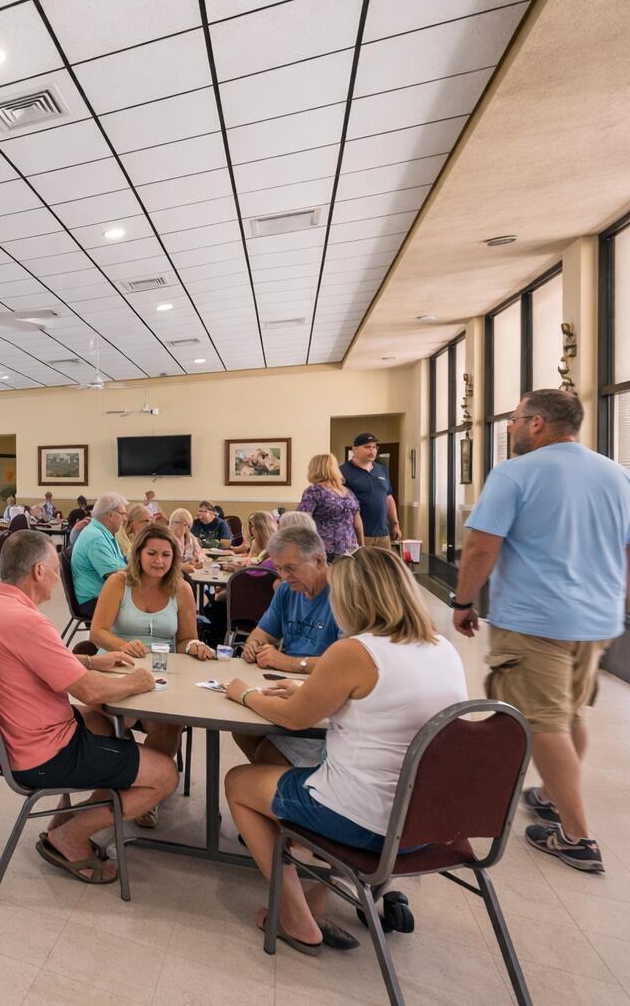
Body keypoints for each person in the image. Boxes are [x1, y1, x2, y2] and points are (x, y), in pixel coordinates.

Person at [224, 548, 466, 953]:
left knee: (239, 783)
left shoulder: (355, 651)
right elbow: (381, 698)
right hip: (426, 821)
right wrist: (307, 688)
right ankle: (317, 894)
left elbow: (292, 719)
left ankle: (295, 917)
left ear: (353, 596)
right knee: (293, 770)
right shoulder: (442, 648)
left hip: (365, 820)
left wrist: (244, 694)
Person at [454, 389, 630, 873]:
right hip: (596, 619)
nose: (509, 429)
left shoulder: (516, 473)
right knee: (570, 713)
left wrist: (464, 601)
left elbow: (480, 548)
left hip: (537, 619)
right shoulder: (617, 474)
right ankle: (552, 795)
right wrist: (612, 596)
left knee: (542, 720)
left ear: (537, 424)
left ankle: (577, 836)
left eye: (513, 420)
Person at [0, 530, 178, 884]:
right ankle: (71, 836)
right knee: (164, 776)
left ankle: (66, 821)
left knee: (101, 722)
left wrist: (96, 662)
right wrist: (136, 681)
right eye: (52, 569)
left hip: (15, 735)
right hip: (41, 753)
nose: (55, 579)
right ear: (37, 571)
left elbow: (49, 664)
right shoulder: (27, 620)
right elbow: (91, 692)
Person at [89, 525, 214, 826]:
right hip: (121, 668)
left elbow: (185, 639)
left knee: (170, 723)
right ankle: (131, 779)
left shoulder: (181, 589)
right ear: (138, 554)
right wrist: (123, 646)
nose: (159, 561)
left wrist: (194, 646)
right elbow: (98, 631)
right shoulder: (119, 582)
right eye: (152, 553)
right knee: (115, 720)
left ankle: (147, 791)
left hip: (162, 673)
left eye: (166, 555)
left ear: (175, 558)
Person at [235, 525, 341, 767]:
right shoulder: (287, 590)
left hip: (326, 697)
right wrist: (253, 645)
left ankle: (292, 788)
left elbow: (345, 667)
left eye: (290, 568)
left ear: (318, 560)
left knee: (267, 755)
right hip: (285, 686)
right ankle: (281, 786)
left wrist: (288, 662)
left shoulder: (343, 595)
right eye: (279, 568)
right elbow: (262, 633)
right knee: (243, 731)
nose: (283, 576)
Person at [69, 492, 128, 615]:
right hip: (93, 601)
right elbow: (115, 576)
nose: (125, 518)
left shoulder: (102, 532)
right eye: (122, 514)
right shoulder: (96, 538)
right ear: (110, 515)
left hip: (101, 596)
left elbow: (120, 565)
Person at [341, 433, 401, 549]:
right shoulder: (343, 471)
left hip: (383, 534)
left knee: (384, 567)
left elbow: (388, 499)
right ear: (355, 449)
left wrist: (395, 524)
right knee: (362, 567)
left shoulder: (382, 470)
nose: (372, 450)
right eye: (367, 447)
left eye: (374, 447)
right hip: (358, 535)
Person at [297, 453, 361, 557]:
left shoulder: (314, 491)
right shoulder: (347, 492)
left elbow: (302, 522)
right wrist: (361, 545)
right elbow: (357, 522)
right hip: (343, 549)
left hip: (337, 550)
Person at [168, 508, 204, 573]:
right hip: (173, 574)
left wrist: (197, 559)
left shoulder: (190, 537)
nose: (185, 528)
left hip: (190, 573)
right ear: (172, 523)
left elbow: (200, 552)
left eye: (187, 525)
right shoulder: (167, 538)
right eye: (183, 524)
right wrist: (182, 566)